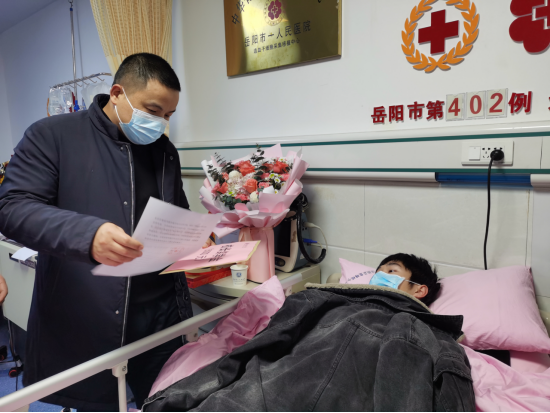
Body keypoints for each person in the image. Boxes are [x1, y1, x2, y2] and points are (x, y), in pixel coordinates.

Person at [0, 53, 212, 411]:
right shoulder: (52, 136)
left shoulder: (164, 151)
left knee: (168, 399)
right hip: (88, 314)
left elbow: (176, 210)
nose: (160, 123)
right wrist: (87, 235)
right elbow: (12, 207)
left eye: (168, 115)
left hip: (162, 314)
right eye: (153, 110)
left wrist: (195, 238)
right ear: (117, 93)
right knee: (99, 402)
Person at [372, 253, 441, 306]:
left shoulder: (407, 319)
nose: (380, 276)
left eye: (391, 271)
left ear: (419, 291)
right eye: (377, 273)